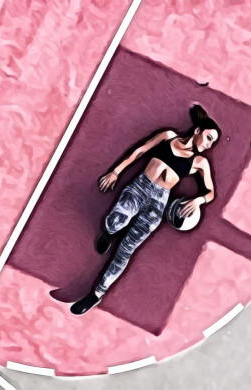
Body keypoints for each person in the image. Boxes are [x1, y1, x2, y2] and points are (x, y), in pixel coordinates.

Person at [70, 104, 221, 315]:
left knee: (126, 251)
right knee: (115, 222)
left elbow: (210, 192)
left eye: (212, 142)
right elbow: (140, 151)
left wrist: (198, 201)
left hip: (158, 204)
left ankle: (96, 294)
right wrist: (116, 172)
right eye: (208, 138)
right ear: (197, 131)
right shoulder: (168, 136)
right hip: (139, 188)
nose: (209, 144)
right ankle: (110, 232)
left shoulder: (199, 163)